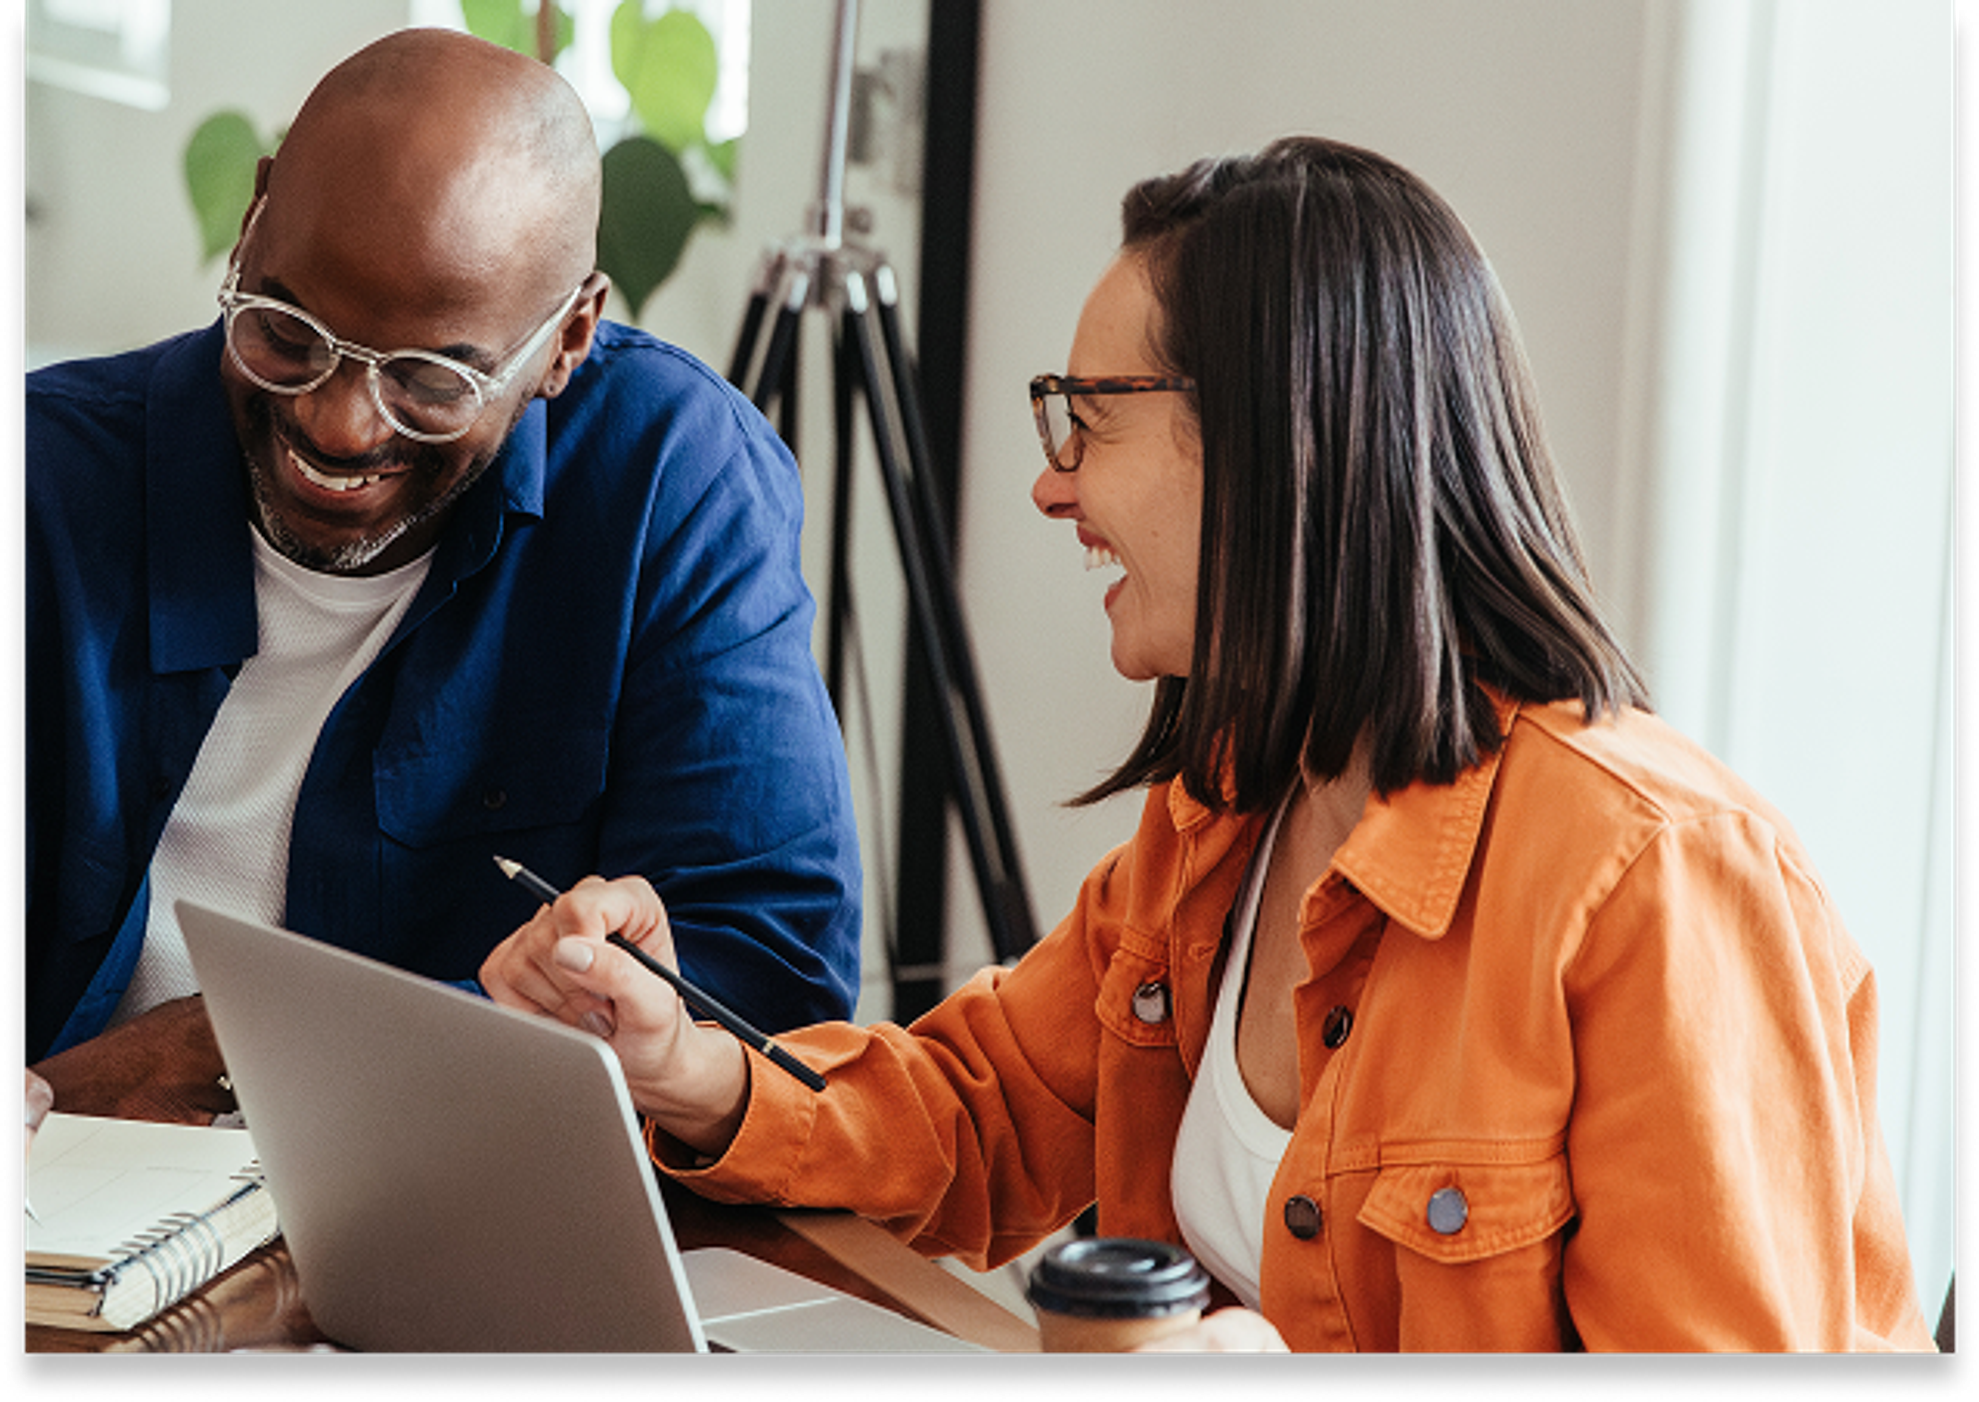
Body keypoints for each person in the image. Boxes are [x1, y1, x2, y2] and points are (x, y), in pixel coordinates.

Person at [480, 137, 1935, 1352]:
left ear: (1274, 438)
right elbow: (985, 1112)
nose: (1050, 490)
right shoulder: (1220, 816)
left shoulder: (1655, 881)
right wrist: (684, 1065)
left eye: (1081, 419)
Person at [20, 29, 861, 1125]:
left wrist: (286, 1053)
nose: (335, 423)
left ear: (569, 336)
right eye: (287, 331)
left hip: (480, 1213)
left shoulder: (672, 488)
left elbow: (761, 987)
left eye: (428, 382)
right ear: (254, 217)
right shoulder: (47, 482)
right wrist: (65, 1096)